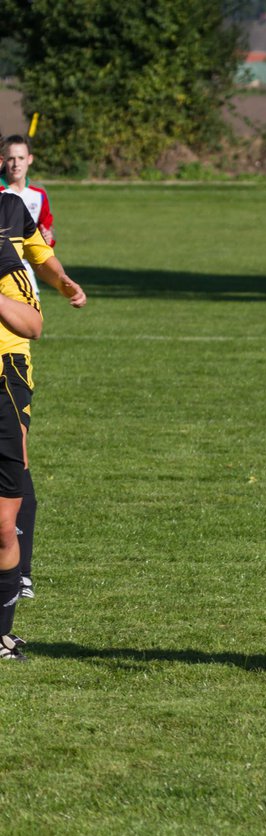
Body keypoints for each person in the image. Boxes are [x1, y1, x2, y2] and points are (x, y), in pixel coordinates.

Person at [0, 192, 84, 661]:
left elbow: (34, 322)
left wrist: (63, 282)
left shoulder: (10, 222)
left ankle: (2, 628)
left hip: (5, 377)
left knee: (3, 521)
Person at [1, 134, 62, 602]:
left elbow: (42, 254)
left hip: (10, 355)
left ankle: (18, 571)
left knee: (16, 467)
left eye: (22, 158)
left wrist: (63, 281)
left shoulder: (19, 208)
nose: (15, 164)